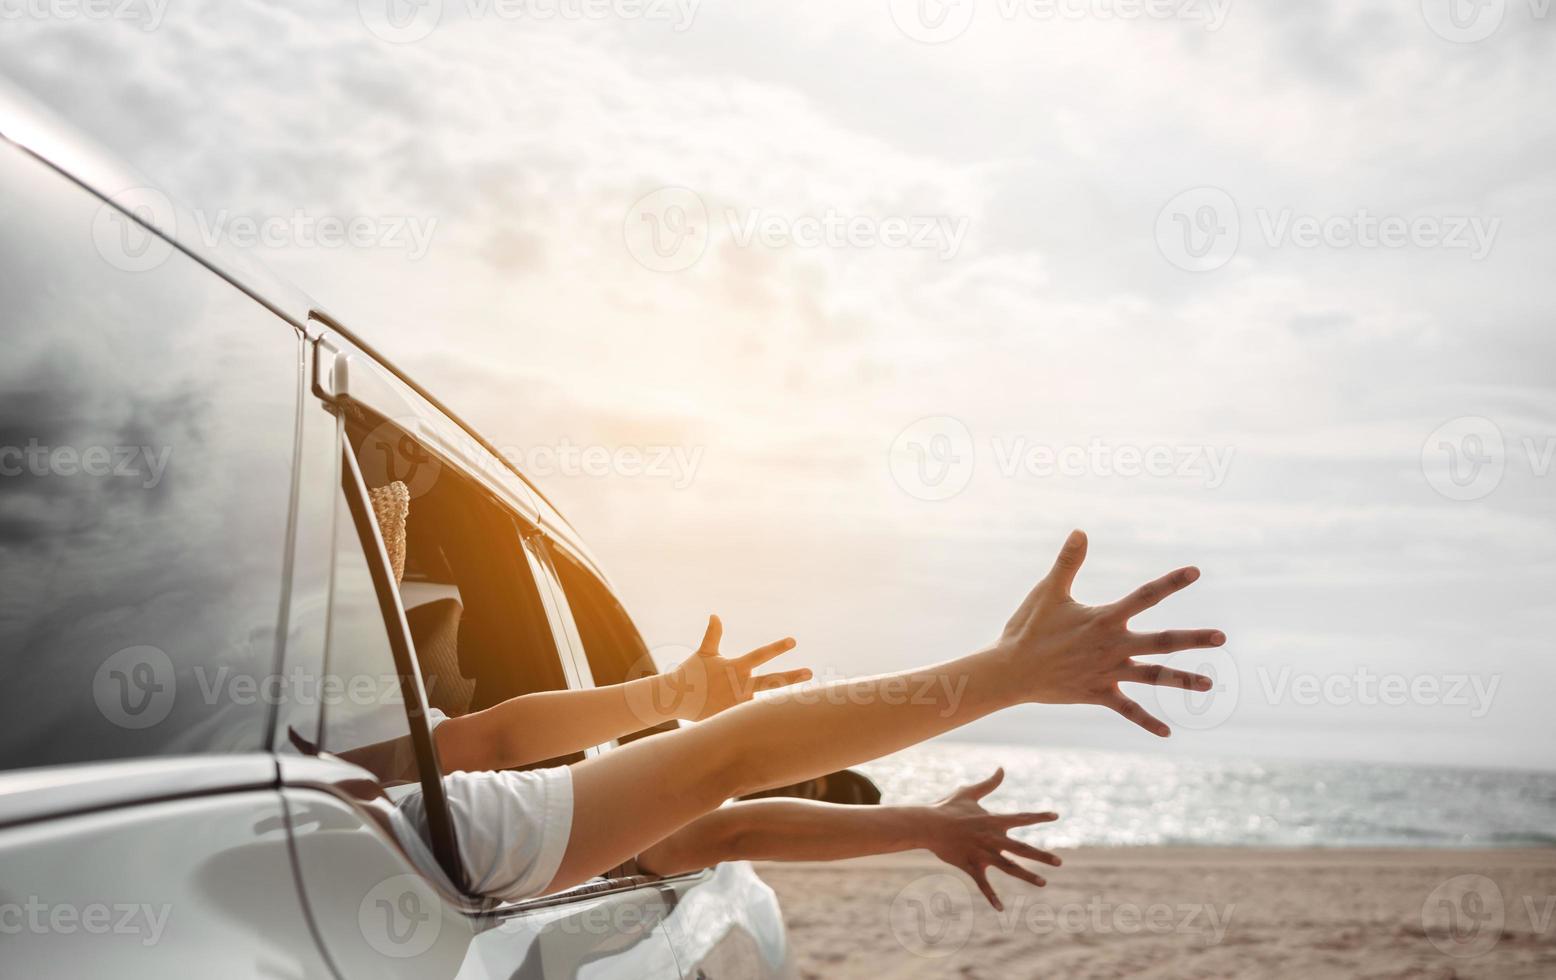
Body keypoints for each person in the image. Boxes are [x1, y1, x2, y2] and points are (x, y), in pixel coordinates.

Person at [393, 530, 1224, 904]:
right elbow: (727, 784)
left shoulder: (379, 786)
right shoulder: (423, 824)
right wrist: (1004, 677)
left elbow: (484, 741)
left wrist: (668, 699)